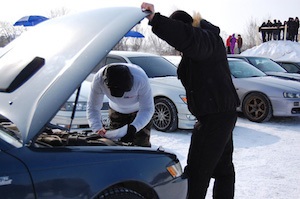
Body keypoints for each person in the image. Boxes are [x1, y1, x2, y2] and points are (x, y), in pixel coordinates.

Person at [141, 2, 240, 199]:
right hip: (220, 113)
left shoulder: (205, 40)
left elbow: (187, 37)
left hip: (214, 117)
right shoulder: (203, 43)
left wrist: (157, 20)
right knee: (223, 170)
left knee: (197, 171)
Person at [87, 63, 154, 147]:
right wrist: (97, 128)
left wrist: (134, 127)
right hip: (116, 111)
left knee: (141, 144)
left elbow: (147, 109)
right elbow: (93, 108)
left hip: (139, 112)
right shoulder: (98, 80)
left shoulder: (140, 79)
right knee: (115, 145)